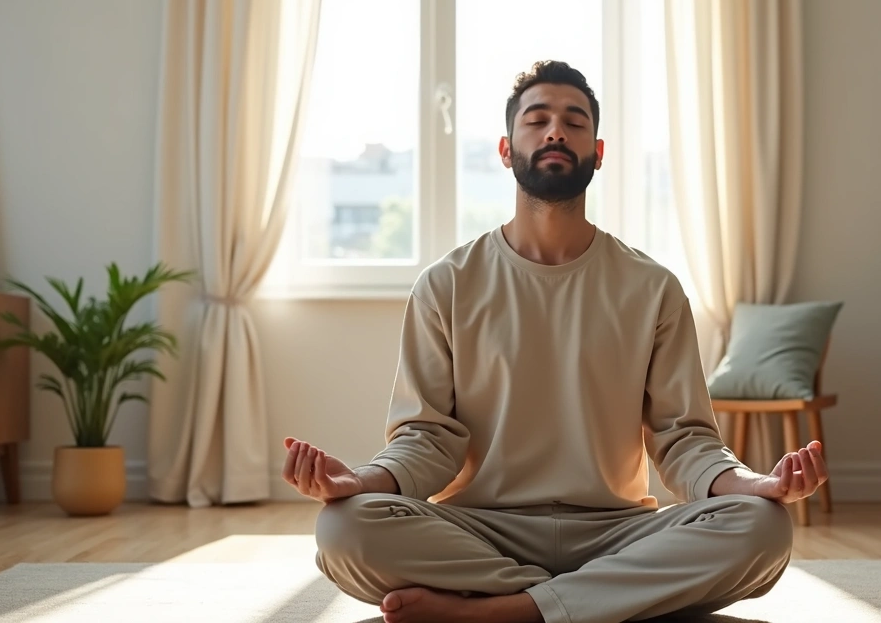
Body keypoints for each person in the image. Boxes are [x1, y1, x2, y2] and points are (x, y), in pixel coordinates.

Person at [282, 60, 828, 623]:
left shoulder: (653, 288)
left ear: (597, 151)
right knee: (344, 526)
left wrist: (753, 483)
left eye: (574, 121)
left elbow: (683, 439)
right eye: (537, 119)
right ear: (504, 148)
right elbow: (426, 436)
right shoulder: (446, 284)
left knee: (762, 526)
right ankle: (597, 602)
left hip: (615, 529)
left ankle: (504, 611)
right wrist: (359, 480)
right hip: (481, 531)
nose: (555, 131)